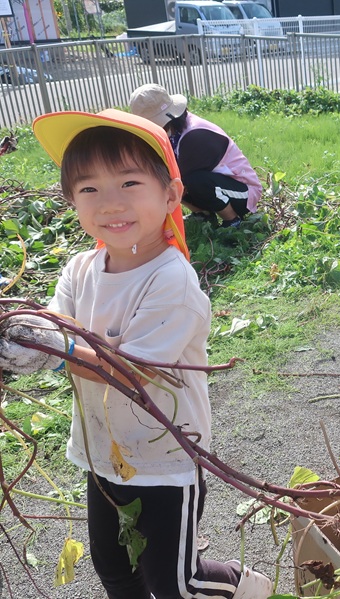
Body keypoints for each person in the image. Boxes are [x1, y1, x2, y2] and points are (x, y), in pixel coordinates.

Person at [0, 109, 271, 599]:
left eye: (129, 183)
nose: (110, 203)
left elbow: (132, 371)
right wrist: (22, 331)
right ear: (72, 201)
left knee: (176, 584)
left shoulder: (172, 281)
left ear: (170, 195)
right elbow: (53, 323)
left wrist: (57, 350)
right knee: (116, 572)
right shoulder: (80, 269)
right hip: (102, 452)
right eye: (89, 189)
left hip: (167, 457)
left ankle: (243, 586)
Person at [129, 83, 262, 229]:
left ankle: (232, 220)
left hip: (244, 193)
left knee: (183, 181)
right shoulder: (174, 132)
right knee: (173, 180)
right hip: (220, 186)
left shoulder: (195, 135)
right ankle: (203, 214)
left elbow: (176, 177)